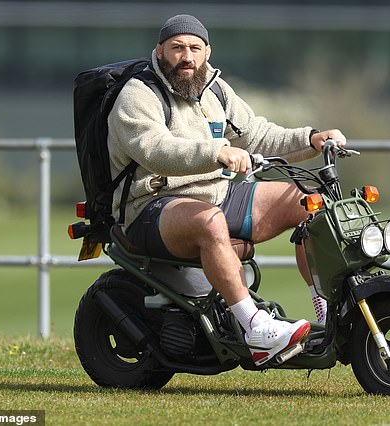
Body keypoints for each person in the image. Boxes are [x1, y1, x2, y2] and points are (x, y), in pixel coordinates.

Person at [107, 14, 346, 366]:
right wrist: (216, 152)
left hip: (216, 194)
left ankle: (326, 314)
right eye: (177, 48)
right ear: (159, 52)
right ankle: (256, 330)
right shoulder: (137, 94)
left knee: (309, 201)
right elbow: (155, 150)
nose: (186, 56)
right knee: (210, 223)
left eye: (194, 48)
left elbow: (257, 134)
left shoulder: (214, 90)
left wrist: (311, 138)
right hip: (152, 204)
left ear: (207, 52)